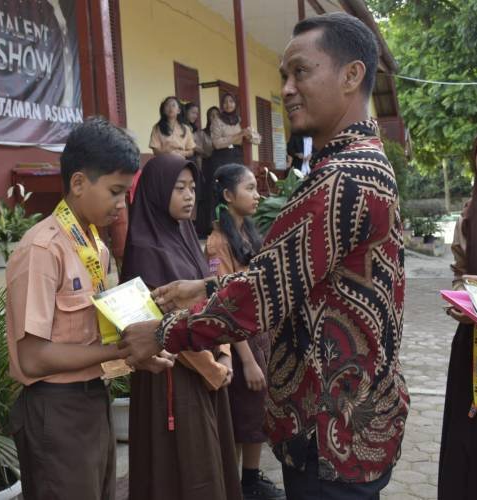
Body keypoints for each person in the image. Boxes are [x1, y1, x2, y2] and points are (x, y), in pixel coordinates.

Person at [122, 12, 409, 500]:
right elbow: (295, 272)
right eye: (283, 76)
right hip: (344, 423)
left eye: (301, 71)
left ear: (351, 75)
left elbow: (262, 294)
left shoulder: (343, 177)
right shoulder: (358, 164)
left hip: (331, 431)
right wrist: (206, 287)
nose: (288, 88)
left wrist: (163, 333)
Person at [5, 117, 171, 500]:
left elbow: (96, 336)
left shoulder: (94, 245)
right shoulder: (44, 250)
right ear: (78, 183)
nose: (121, 203)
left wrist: (133, 358)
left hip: (94, 398)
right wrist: (125, 349)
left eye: (126, 191)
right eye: (114, 191)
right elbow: (32, 358)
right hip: (55, 409)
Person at [121, 153, 241, 500]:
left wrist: (224, 356)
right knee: (184, 468)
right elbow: (158, 326)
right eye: (179, 188)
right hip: (175, 374)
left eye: (192, 188)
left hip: (208, 365)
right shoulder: (145, 248)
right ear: (158, 191)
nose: (189, 196)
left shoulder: (187, 235)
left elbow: (212, 301)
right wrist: (213, 368)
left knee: (207, 461)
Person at [205, 164, 284, 500]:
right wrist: (248, 360)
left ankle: (251, 480)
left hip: (261, 335)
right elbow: (225, 305)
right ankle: (233, 485)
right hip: (239, 342)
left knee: (258, 413)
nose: (257, 195)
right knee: (240, 417)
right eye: (249, 188)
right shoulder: (217, 243)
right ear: (227, 195)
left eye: (256, 188)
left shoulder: (251, 233)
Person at [439, 117, 477, 500]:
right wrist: (463, 297)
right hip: (475, 344)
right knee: (467, 445)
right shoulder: (469, 211)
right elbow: (461, 271)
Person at [205, 94, 260, 237]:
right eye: (225, 102)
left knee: (237, 190)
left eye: (231, 101)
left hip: (237, 157)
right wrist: (239, 135)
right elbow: (217, 143)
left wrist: (249, 135)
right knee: (221, 191)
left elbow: (257, 139)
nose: (228, 104)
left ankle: (240, 225)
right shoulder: (217, 121)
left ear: (236, 104)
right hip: (222, 158)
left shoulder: (242, 120)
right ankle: (218, 226)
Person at [196, 106, 221, 238]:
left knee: (217, 196)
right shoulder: (202, 133)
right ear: (208, 117)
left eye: (217, 115)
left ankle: (217, 226)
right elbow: (198, 151)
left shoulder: (222, 133)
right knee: (207, 196)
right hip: (207, 166)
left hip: (220, 165)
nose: (215, 117)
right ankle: (205, 228)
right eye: (212, 115)